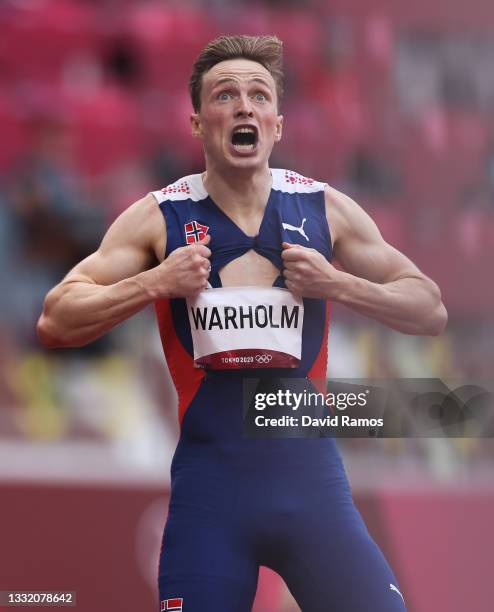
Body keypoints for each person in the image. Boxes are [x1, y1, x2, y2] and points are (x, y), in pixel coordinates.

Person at [37, 35, 447, 612]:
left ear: (277, 123)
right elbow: (56, 316)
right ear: (198, 123)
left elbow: (429, 307)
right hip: (211, 494)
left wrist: (337, 285)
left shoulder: (324, 207)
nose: (244, 107)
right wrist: (155, 283)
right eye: (225, 96)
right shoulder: (160, 215)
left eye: (259, 95)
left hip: (312, 490)